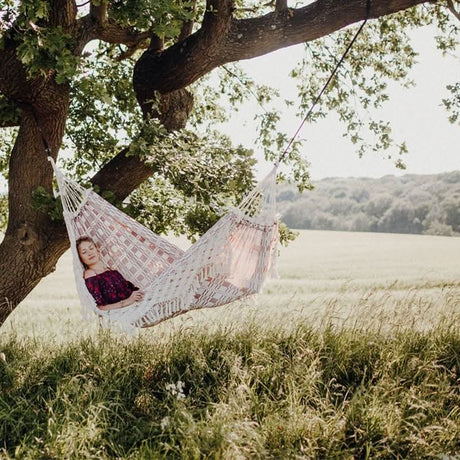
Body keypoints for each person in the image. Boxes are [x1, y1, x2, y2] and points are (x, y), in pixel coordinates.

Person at [76, 236, 144, 311]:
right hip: (123, 310)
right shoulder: (90, 274)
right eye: (84, 252)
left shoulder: (110, 270)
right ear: (80, 258)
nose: (90, 253)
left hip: (135, 304)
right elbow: (100, 307)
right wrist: (127, 302)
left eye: (91, 248)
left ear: (97, 249)